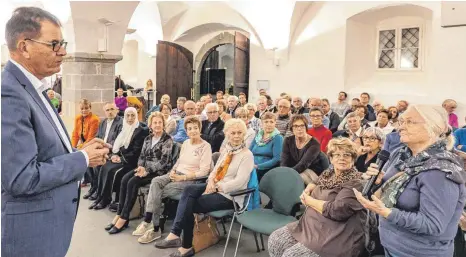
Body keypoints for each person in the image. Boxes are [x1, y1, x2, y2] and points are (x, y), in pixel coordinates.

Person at [1, 7, 109, 257]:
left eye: (63, 43)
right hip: (32, 233)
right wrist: (82, 159)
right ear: (24, 46)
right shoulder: (10, 94)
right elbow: (20, 178)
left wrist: (81, 151)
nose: (63, 51)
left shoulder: (31, 87)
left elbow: (46, 150)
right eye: (54, 44)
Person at [354, 105, 466, 257]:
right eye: (401, 122)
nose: (401, 127)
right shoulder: (401, 155)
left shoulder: (441, 171)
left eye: (410, 122)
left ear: (435, 127)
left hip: (418, 252)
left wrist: (386, 213)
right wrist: (379, 183)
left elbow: (432, 225)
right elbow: (391, 194)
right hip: (391, 245)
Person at [155, 119, 254, 257]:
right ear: (227, 134)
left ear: (244, 134)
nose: (236, 136)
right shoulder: (227, 150)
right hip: (215, 186)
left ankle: (185, 245)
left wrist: (217, 187)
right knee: (189, 190)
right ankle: (176, 234)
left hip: (230, 195)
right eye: (233, 133)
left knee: (189, 205)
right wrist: (211, 181)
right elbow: (215, 170)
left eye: (239, 133)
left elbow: (239, 181)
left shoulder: (247, 155)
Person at [269, 137, 366, 257]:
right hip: (311, 224)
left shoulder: (355, 182)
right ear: (331, 158)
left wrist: (309, 200)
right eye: (337, 155)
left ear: (353, 159)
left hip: (336, 233)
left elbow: (337, 211)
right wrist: (310, 187)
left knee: (292, 255)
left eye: (346, 155)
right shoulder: (329, 173)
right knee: (276, 240)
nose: (342, 158)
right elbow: (317, 181)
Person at [133, 115, 212, 244]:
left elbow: (204, 171)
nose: (193, 131)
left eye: (195, 128)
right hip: (177, 173)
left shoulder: (205, 146)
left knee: (159, 192)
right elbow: (179, 161)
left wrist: (182, 177)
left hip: (191, 179)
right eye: (189, 128)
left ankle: (155, 227)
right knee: (156, 182)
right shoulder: (186, 143)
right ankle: (149, 222)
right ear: (186, 131)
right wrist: (173, 171)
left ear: (200, 129)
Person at [105, 112, 174, 234]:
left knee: (132, 182)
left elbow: (164, 161)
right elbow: (142, 156)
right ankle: (119, 213)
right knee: (125, 179)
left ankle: (124, 218)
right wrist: (141, 167)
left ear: (163, 124)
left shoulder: (167, 139)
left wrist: (147, 171)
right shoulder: (148, 138)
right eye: (155, 123)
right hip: (144, 168)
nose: (157, 125)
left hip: (158, 172)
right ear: (150, 125)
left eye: (160, 122)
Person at [90, 107, 148, 210]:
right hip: (122, 157)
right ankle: (100, 197)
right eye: (128, 116)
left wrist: (121, 158)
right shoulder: (124, 128)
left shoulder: (140, 131)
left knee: (112, 171)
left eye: (133, 115)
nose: (130, 118)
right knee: (105, 166)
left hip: (131, 161)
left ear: (136, 116)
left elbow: (136, 151)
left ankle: (105, 199)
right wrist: (114, 155)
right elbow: (117, 146)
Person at [83, 103, 123, 200]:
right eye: (107, 110)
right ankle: (93, 187)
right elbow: (98, 136)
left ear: (117, 110)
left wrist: (104, 147)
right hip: (102, 148)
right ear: (104, 112)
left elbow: (118, 140)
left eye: (112, 109)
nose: (110, 112)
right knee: (88, 160)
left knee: (97, 164)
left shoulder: (120, 122)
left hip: (112, 150)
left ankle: (99, 191)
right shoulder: (103, 122)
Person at [281, 114, 323, 185]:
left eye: (302, 125)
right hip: (294, 170)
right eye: (296, 126)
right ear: (292, 128)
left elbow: (303, 164)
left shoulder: (314, 143)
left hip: (312, 173)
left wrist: (288, 174)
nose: (299, 128)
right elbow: (284, 161)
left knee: (301, 176)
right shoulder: (288, 140)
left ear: (306, 127)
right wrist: (284, 173)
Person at [250, 112, 284, 181]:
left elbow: (277, 159)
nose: (269, 124)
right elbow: (249, 152)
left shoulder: (278, 138)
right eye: (266, 122)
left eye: (271, 122)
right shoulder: (258, 136)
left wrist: (257, 166)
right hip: (251, 166)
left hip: (265, 169)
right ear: (261, 124)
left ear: (275, 123)